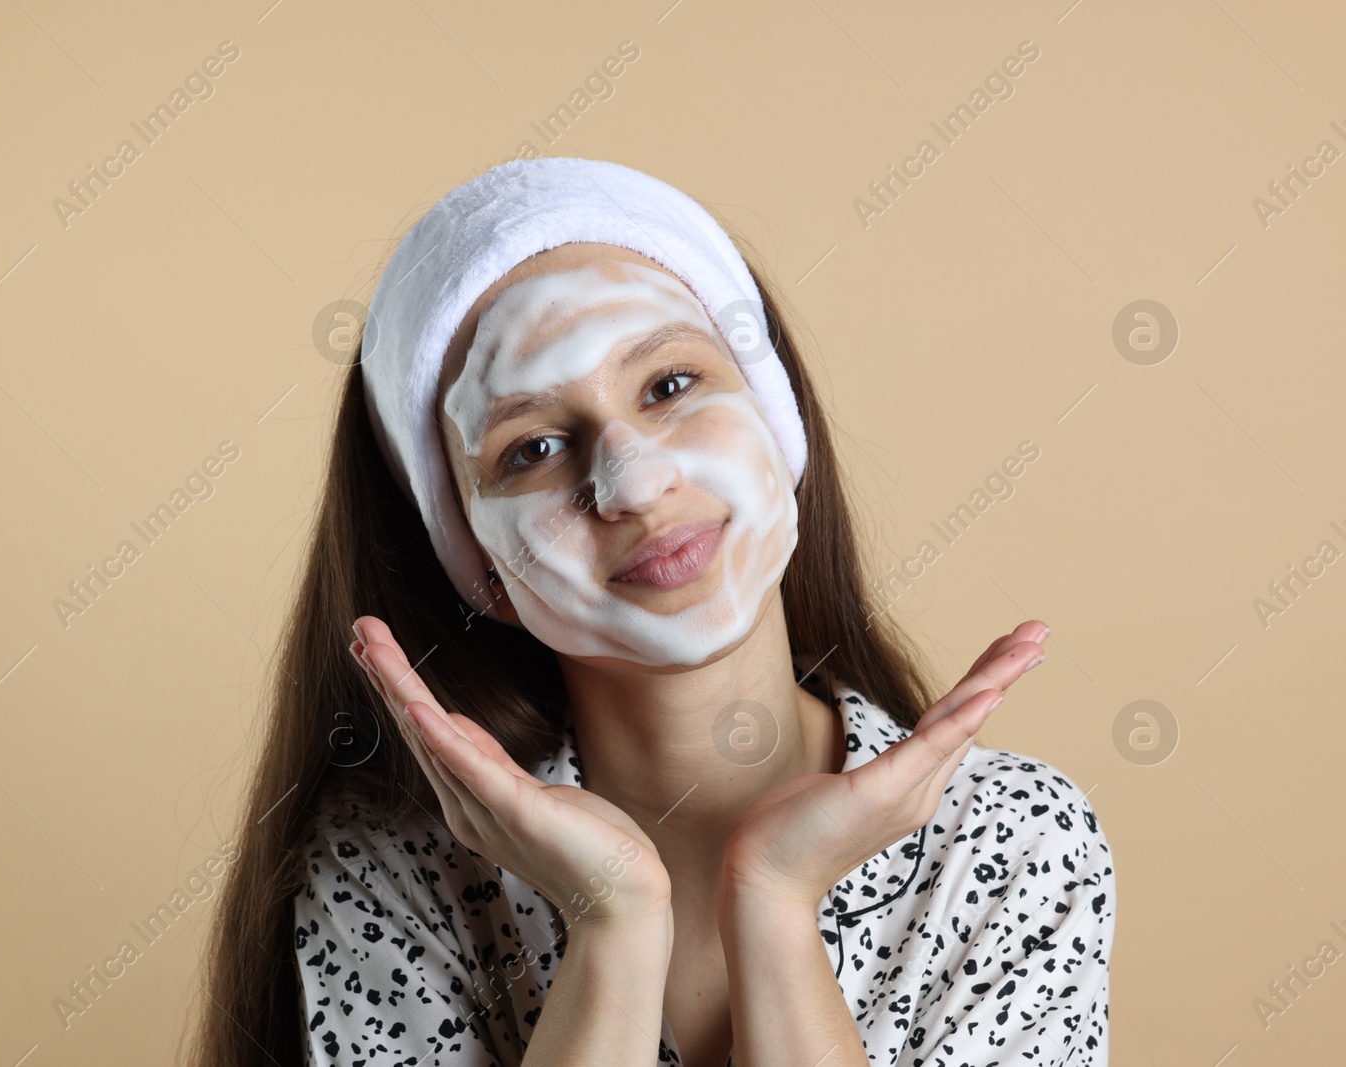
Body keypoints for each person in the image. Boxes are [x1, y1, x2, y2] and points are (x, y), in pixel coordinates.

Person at [189, 158, 1115, 1067]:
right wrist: (612, 926)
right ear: (478, 566)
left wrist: (776, 908)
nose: (631, 482)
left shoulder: (1011, 841)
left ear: (776, 416)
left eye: (670, 385)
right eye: (535, 447)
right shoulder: (391, 875)